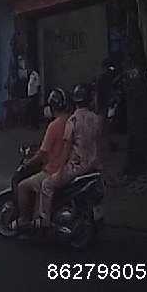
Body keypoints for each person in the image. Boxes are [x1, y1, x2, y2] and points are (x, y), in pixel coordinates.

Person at [41, 85, 105, 225]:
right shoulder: (97, 119)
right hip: (94, 167)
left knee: (46, 185)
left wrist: (59, 171)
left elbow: (67, 148)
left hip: (77, 167)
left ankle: (44, 222)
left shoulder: (72, 121)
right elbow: (100, 145)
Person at [12, 88, 71, 231]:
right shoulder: (71, 121)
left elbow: (42, 154)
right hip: (68, 169)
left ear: (52, 106)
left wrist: (27, 164)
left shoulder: (54, 126)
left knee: (23, 186)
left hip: (53, 171)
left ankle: (24, 220)